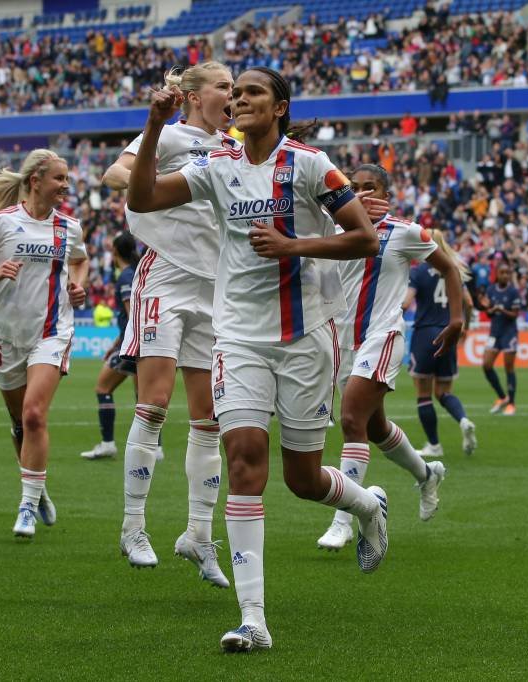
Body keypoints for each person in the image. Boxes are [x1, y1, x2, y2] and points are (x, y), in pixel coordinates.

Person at [128, 66, 388, 652]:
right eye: (236, 92)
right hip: (238, 337)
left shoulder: (312, 166)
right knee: (244, 457)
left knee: (301, 478)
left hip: (304, 339)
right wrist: (153, 125)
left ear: (279, 108)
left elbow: (365, 237)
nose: (240, 99)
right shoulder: (214, 166)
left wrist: (295, 245)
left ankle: (367, 504)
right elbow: (142, 198)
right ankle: (253, 619)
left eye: (253, 93)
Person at [102, 62, 237, 587]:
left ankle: (198, 535)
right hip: (166, 277)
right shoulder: (173, 135)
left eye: (233, 87)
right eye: (223, 86)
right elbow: (118, 174)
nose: (231, 94)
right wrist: (162, 172)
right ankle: (133, 526)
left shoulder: (231, 144)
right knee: (154, 402)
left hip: (215, 286)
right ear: (194, 95)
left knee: (210, 418)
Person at [316, 165, 464, 552]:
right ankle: (427, 473)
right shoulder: (333, 230)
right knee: (375, 426)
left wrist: (458, 319)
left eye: (371, 187)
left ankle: (343, 519)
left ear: (387, 194)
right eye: (356, 188)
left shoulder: (405, 232)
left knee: (351, 419)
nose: (363, 194)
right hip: (341, 343)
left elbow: (448, 267)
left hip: (382, 337)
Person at [0, 149, 89, 539]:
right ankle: (38, 487)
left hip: (51, 330)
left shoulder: (68, 228)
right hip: (5, 333)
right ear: (36, 180)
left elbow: (80, 260)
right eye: (59, 179)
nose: (66, 186)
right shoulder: (1, 223)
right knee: (20, 423)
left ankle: (27, 507)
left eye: (67, 179)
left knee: (34, 415)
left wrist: (77, 284)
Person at [405, 229, 477, 458]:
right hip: (449, 334)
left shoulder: (419, 272)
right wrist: (465, 327)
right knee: (444, 392)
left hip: (425, 335)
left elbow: (406, 303)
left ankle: (434, 445)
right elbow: (469, 303)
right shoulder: (452, 270)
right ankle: (463, 420)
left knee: (423, 393)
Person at [80, 232, 142, 460]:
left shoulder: (126, 276)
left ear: (115, 251)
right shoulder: (136, 272)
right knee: (144, 397)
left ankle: (107, 443)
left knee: (103, 389)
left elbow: (132, 313)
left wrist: (126, 346)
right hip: (139, 342)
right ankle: (155, 448)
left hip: (133, 344)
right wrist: (115, 345)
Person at [479, 261, 521, 415]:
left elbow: (515, 315)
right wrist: (487, 308)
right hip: (494, 333)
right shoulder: (491, 290)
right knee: (486, 365)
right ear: (497, 274)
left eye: (507, 273)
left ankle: (511, 403)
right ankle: (502, 396)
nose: (505, 275)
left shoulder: (513, 292)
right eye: (502, 273)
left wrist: (501, 309)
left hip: (509, 333)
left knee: (508, 368)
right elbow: (489, 313)